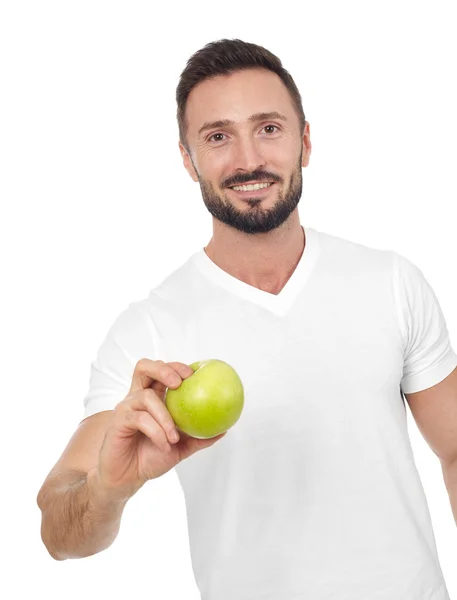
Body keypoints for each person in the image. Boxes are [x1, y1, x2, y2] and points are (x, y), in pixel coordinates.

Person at [37, 38, 457, 600]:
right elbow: (58, 530)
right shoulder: (149, 335)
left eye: (269, 128)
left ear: (305, 142)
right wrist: (110, 489)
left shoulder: (392, 283)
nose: (247, 160)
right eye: (217, 137)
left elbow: (454, 449)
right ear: (188, 160)